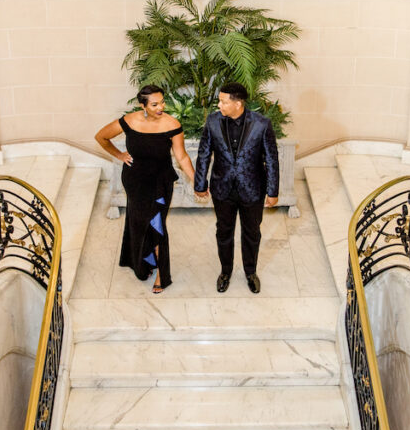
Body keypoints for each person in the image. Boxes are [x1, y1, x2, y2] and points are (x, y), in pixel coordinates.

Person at [95, 85, 195, 293]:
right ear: (143, 106)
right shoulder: (129, 121)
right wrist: (119, 155)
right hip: (135, 181)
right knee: (139, 222)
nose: (161, 107)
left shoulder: (172, 124)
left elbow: (182, 156)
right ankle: (144, 261)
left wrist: (197, 180)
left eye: (162, 102)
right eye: (154, 104)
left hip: (160, 182)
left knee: (157, 225)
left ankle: (162, 274)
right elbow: (101, 137)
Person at [194, 82, 279, 294]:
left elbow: (271, 159)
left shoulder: (261, 124)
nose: (219, 105)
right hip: (222, 188)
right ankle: (225, 272)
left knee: (252, 233)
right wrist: (200, 184)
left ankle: (250, 272)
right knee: (224, 232)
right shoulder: (213, 121)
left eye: (223, 101)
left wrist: (273, 191)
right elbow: (204, 154)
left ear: (238, 103)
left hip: (252, 189)